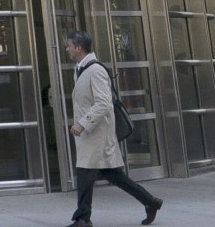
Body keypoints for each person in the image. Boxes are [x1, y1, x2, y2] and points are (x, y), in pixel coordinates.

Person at [66, 30, 161, 225]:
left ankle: (83, 219)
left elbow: (104, 103)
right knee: (113, 175)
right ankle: (150, 201)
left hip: (97, 135)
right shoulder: (80, 69)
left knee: (85, 174)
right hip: (92, 135)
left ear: (79, 48)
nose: (66, 49)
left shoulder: (95, 70)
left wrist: (82, 123)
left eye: (69, 45)